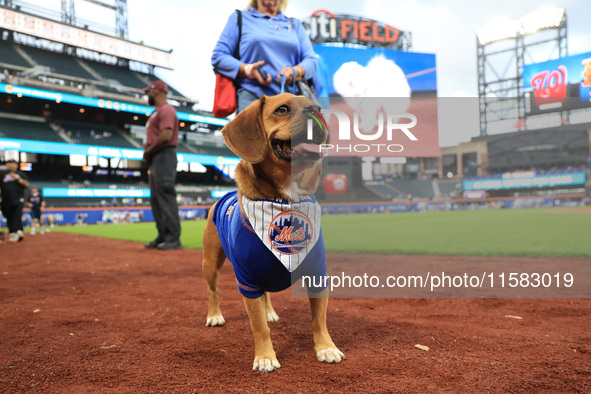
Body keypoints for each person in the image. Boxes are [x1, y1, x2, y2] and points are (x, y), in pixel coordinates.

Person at [212, 0, 318, 113]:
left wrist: (295, 71)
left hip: (290, 102)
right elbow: (219, 56)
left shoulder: (294, 24)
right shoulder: (240, 18)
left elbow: (311, 61)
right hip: (252, 99)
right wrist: (248, 70)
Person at [142, 80, 182, 250]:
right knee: (157, 197)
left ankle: (173, 237)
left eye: (148, 93)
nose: (147, 96)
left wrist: (149, 150)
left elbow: (166, 135)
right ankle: (163, 235)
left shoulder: (166, 109)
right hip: (157, 157)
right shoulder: (157, 111)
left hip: (163, 154)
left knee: (164, 194)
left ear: (155, 92)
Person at [0, 159, 30, 242]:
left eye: (12, 163)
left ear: (16, 165)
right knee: (9, 216)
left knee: (17, 215)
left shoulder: (20, 174)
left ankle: (18, 231)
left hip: (18, 199)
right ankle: (13, 232)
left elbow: (27, 184)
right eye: (8, 163)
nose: (10, 165)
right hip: (5, 200)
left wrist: (17, 179)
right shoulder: (2, 174)